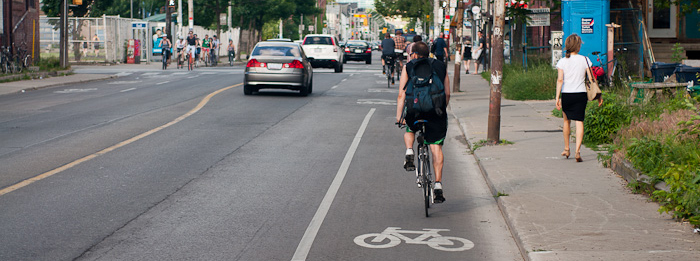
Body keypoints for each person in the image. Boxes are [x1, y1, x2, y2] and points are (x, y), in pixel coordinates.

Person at [396, 41, 451, 203]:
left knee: (410, 129)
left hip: (414, 110)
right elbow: (447, 93)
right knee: (436, 146)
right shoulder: (441, 66)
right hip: (436, 112)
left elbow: (402, 95)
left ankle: (409, 151)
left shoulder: (409, 66)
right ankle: (438, 185)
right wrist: (441, 109)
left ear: (413, 54)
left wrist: (399, 116)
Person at [555, 33, 603, 162]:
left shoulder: (562, 61)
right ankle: (577, 151)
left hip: (567, 94)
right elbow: (591, 78)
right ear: (578, 46)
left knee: (566, 121)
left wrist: (557, 98)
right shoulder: (585, 60)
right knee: (579, 122)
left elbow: (560, 80)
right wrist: (599, 95)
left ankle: (566, 149)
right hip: (581, 94)